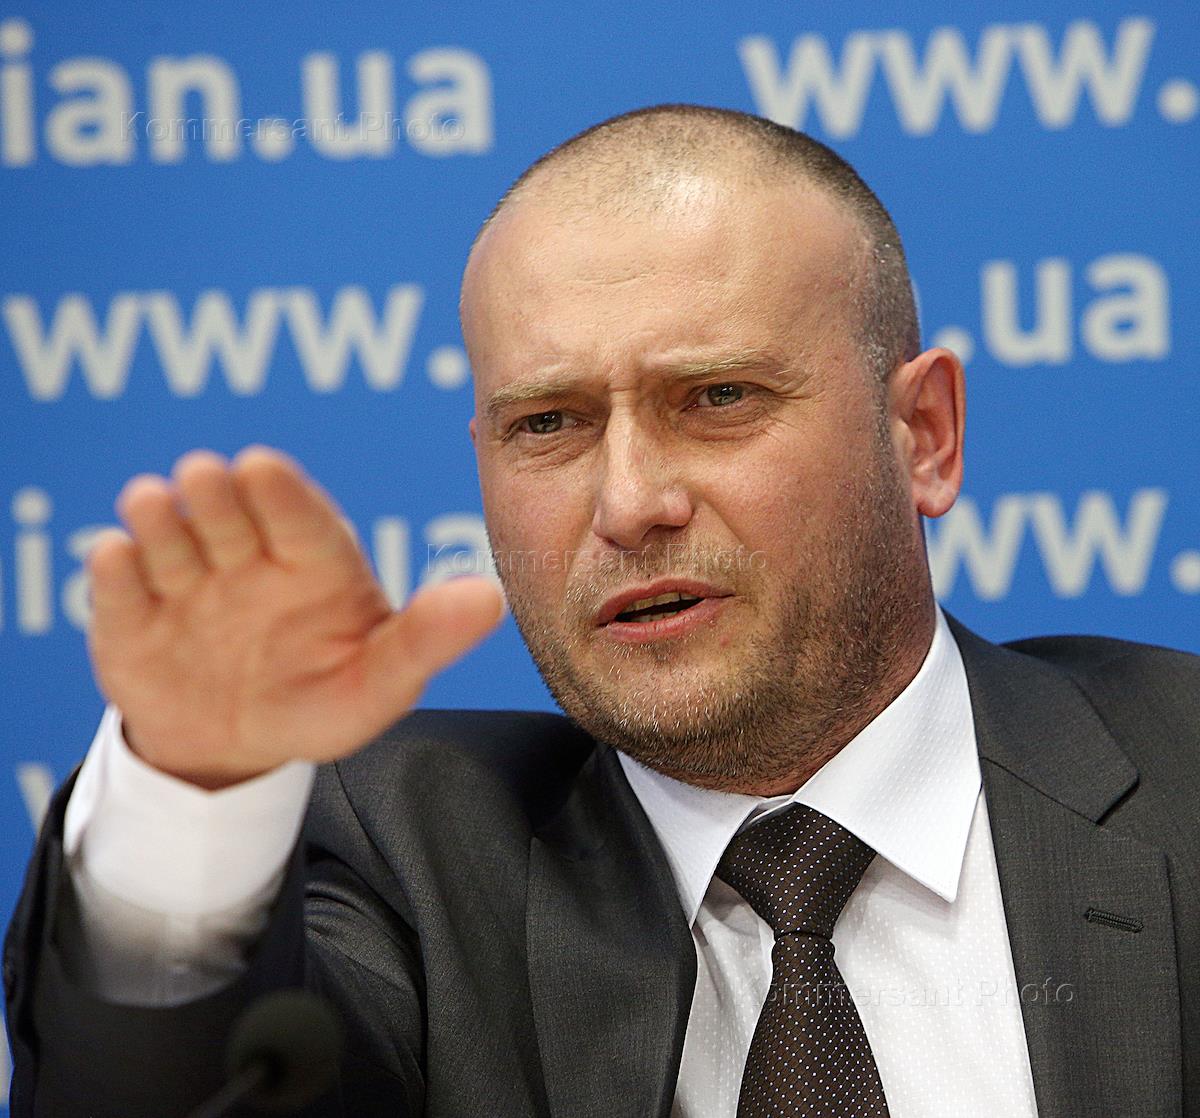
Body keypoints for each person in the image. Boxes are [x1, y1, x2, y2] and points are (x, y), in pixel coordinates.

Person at [5, 104, 1198, 1117]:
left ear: (923, 435)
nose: (628, 504)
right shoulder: (396, 853)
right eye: (549, 424)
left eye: (718, 397)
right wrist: (192, 790)